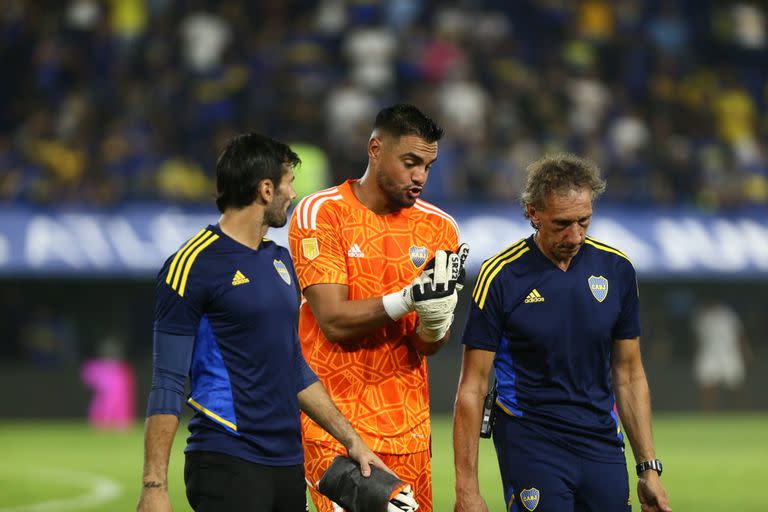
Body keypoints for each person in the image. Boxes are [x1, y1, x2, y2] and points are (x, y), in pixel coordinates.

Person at [136, 133, 389, 512]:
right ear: (266, 189)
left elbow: (293, 366)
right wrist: (154, 484)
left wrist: (351, 440)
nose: (293, 193)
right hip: (226, 460)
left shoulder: (281, 262)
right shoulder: (191, 265)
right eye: (289, 183)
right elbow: (167, 381)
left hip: (287, 461)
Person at [453, 153, 672, 512]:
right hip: (531, 439)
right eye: (562, 224)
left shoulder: (616, 270)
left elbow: (630, 374)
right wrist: (467, 488)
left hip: (600, 438)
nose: (575, 236)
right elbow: (473, 386)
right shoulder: (500, 277)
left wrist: (648, 468)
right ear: (532, 212)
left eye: (584, 221)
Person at [288, 103, 467, 512]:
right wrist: (408, 298)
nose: (420, 176)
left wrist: (436, 325)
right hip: (334, 428)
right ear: (374, 148)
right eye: (410, 162)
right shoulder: (322, 213)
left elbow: (424, 348)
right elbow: (332, 320)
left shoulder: (441, 228)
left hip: (410, 432)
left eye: (428, 166)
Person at [691, 298, 751, 410]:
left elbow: (740, 336)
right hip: (709, 354)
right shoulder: (701, 315)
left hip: (729, 353)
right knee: (707, 389)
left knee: (737, 389)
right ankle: (708, 418)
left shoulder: (729, 314)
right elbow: (696, 338)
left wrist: (745, 352)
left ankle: (741, 415)